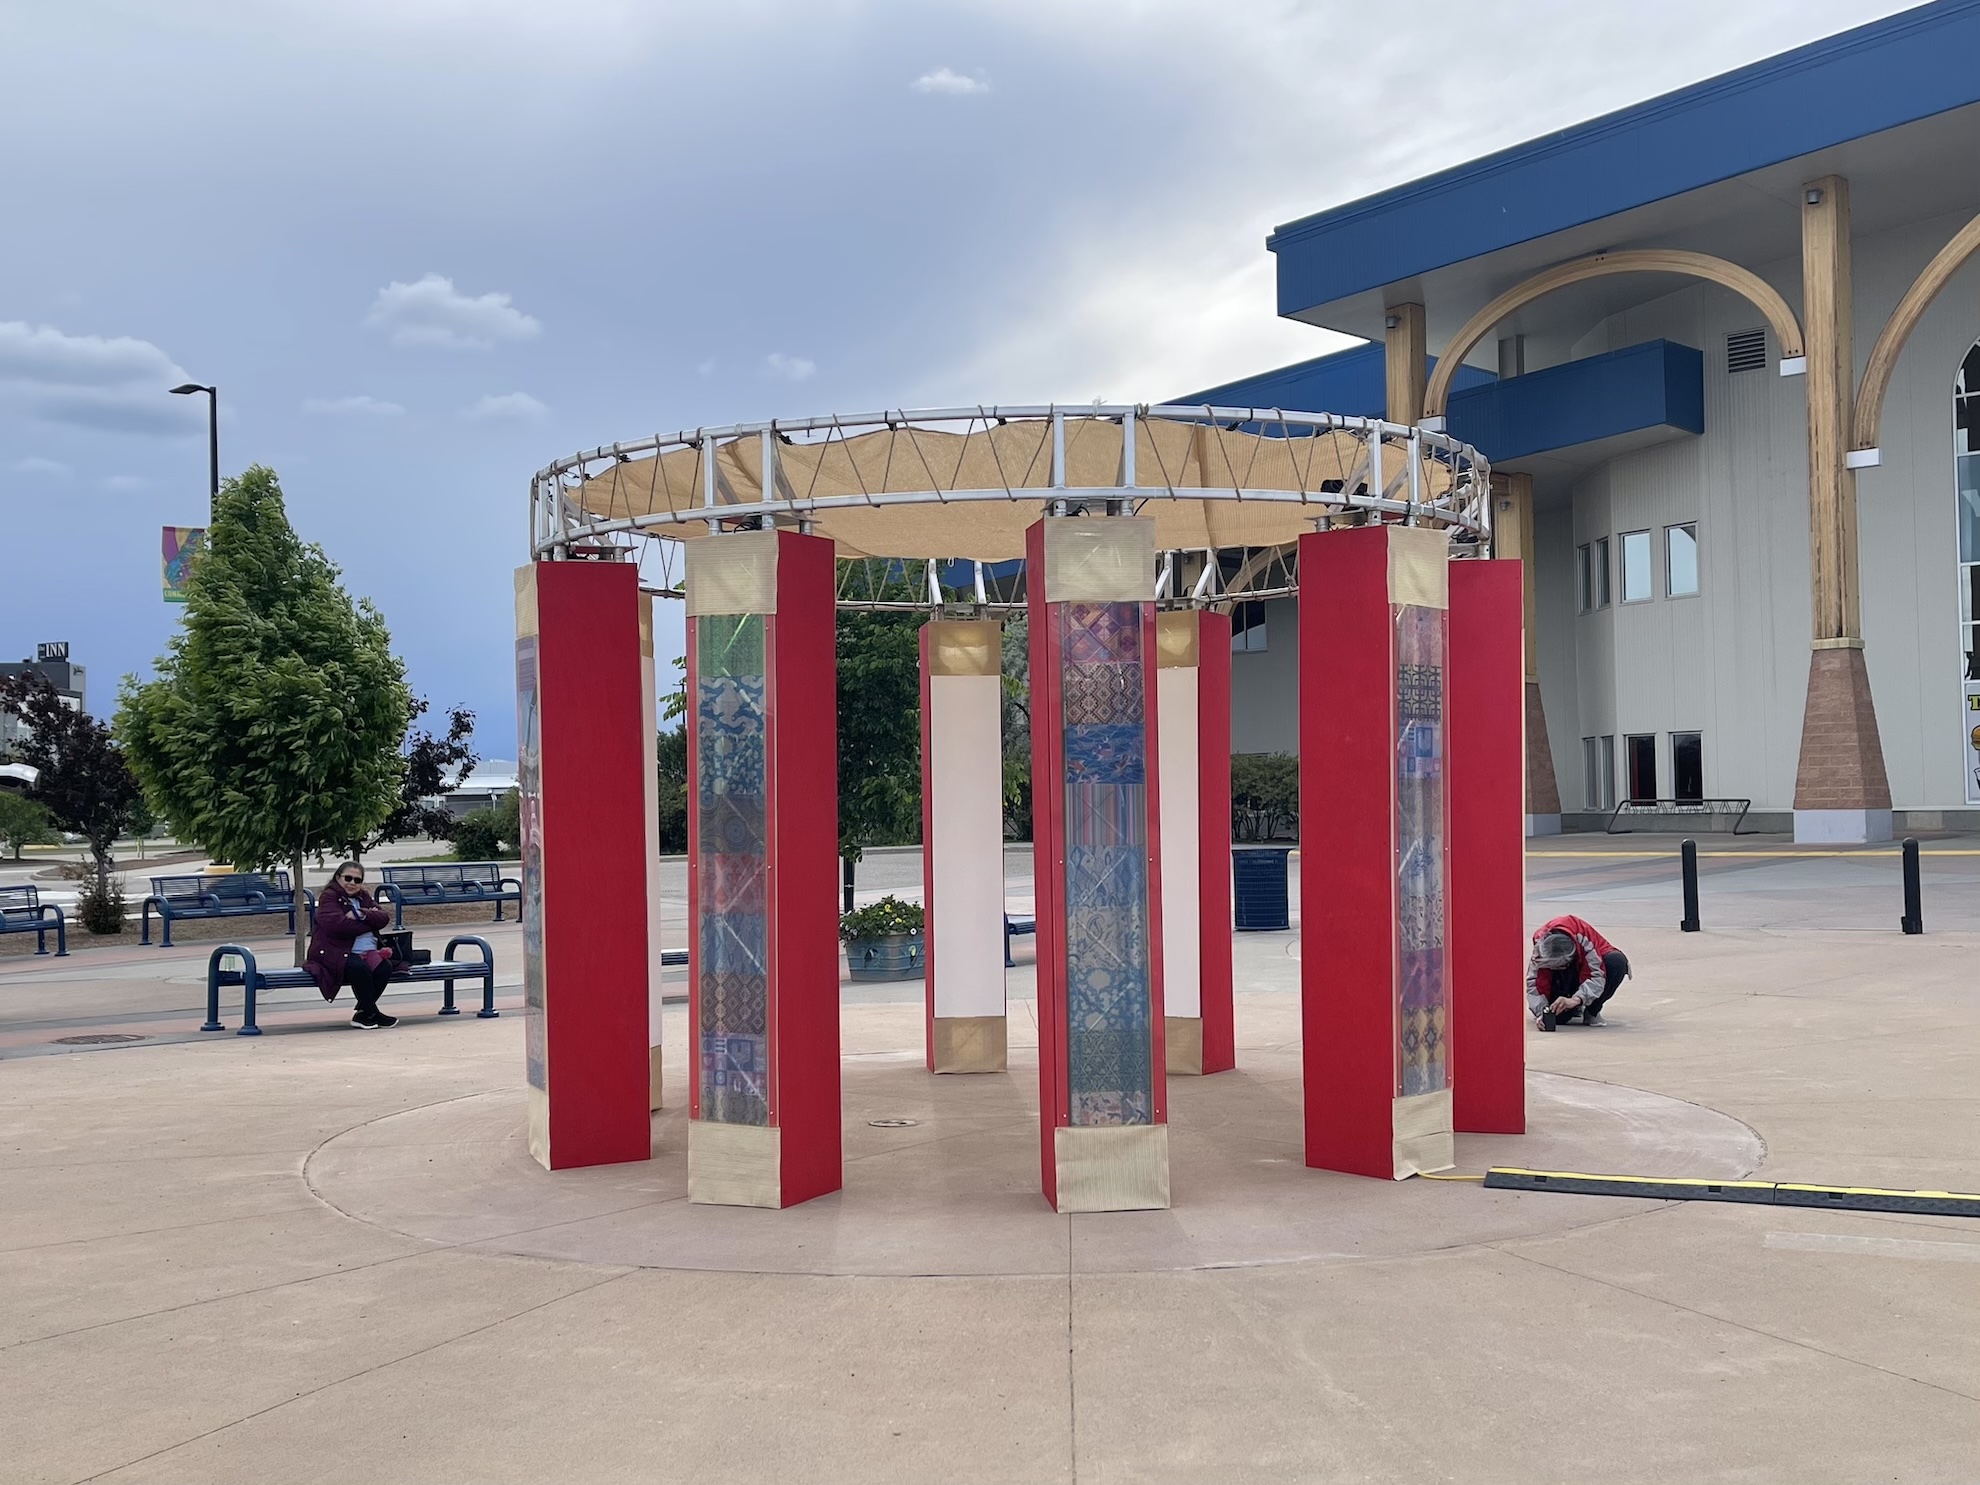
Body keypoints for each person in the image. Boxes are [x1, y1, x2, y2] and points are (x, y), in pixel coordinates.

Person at [305, 861, 398, 1028]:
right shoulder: (329, 897)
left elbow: (384, 918)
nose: (352, 883)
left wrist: (360, 913)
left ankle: (364, 1013)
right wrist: (370, 920)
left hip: (367, 952)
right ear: (338, 878)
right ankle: (372, 1013)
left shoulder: (364, 897)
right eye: (348, 878)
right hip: (333, 954)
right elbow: (336, 926)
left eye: (357, 880)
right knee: (359, 969)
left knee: (385, 967)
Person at [1526, 914, 1629, 1031]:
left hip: (1587, 968)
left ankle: (1592, 1010)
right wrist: (1541, 1013)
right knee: (1557, 1018)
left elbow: (1596, 975)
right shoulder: (1541, 943)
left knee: (1616, 962)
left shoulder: (1584, 938)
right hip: (1563, 975)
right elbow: (1534, 982)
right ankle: (1571, 1008)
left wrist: (1576, 999)